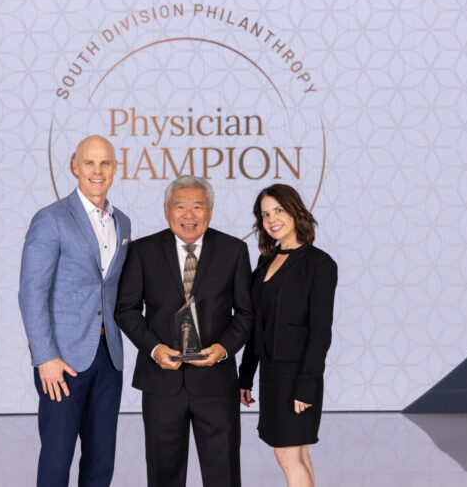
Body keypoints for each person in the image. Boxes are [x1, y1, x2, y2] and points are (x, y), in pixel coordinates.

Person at [115, 175, 254, 487]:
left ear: (210, 210)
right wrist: (154, 349)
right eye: (180, 206)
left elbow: (246, 313)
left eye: (197, 206)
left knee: (223, 474)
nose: (189, 215)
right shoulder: (143, 251)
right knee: (163, 475)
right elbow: (126, 309)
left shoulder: (233, 250)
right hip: (161, 382)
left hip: (216, 382)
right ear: (166, 210)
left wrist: (223, 349)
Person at [18, 135, 130, 487]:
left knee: (101, 459)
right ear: (74, 166)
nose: (97, 171)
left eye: (105, 163)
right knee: (57, 456)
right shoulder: (51, 219)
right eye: (89, 163)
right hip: (62, 361)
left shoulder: (123, 222)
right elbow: (31, 292)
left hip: (109, 357)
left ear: (115, 168)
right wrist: (44, 356)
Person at [239, 184, 337, 487]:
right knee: (297, 453)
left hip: (299, 375)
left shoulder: (320, 264)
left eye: (278, 210)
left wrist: (306, 386)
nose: (272, 219)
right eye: (265, 214)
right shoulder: (265, 261)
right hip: (271, 373)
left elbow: (320, 332)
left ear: (295, 212)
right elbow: (257, 323)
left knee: (287, 454)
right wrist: (245, 376)